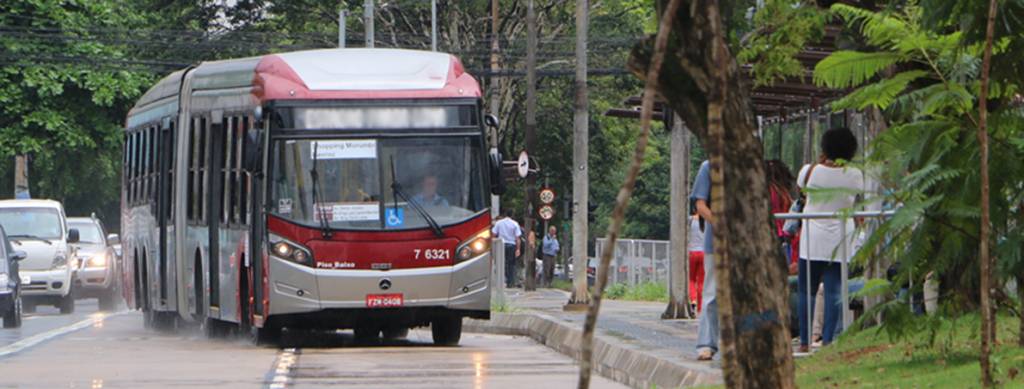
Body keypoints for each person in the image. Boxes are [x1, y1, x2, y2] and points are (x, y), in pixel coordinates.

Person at [796, 127, 864, 354]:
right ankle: (827, 340)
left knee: (806, 291)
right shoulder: (854, 174)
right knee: (834, 291)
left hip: (812, 238)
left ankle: (804, 340)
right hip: (840, 238)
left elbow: (801, 188)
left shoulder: (809, 171)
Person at [691, 160, 718, 361]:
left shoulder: (747, 165)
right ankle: (706, 343)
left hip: (745, 242)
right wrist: (721, 223)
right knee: (711, 293)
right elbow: (700, 205)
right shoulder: (709, 167)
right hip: (715, 241)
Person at [492, 210, 522, 288]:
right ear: (512, 215)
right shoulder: (515, 224)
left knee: (500, 263)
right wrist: (518, 249)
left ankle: (501, 280)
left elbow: (493, 234)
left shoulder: (499, 223)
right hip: (511, 245)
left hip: (501, 244)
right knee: (511, 264)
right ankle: (510, 282)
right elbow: (517, 238)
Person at [687, 212, 705, 313]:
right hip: (703, 253)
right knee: (701, 281)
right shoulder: (707, 221)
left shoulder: (690, 220)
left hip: (692, 252)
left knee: (692, 279)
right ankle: (700, 308)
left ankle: (693, 300)